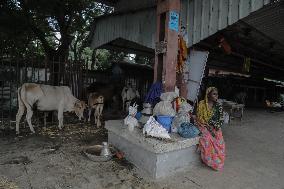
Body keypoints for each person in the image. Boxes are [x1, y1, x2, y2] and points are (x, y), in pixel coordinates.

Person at [196, 87, 225, 171]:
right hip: (202, 125)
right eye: (214, 94)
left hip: (214, 126)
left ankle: (218, 161)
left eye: (217, 94)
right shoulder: (202, 104)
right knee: (207, 138)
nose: (216, 96)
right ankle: (209, 160)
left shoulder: (218, 106)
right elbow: (199, 117)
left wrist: (214, 127)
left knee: (219, 138)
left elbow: (221, 120)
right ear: (208, 95)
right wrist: (207, 126)